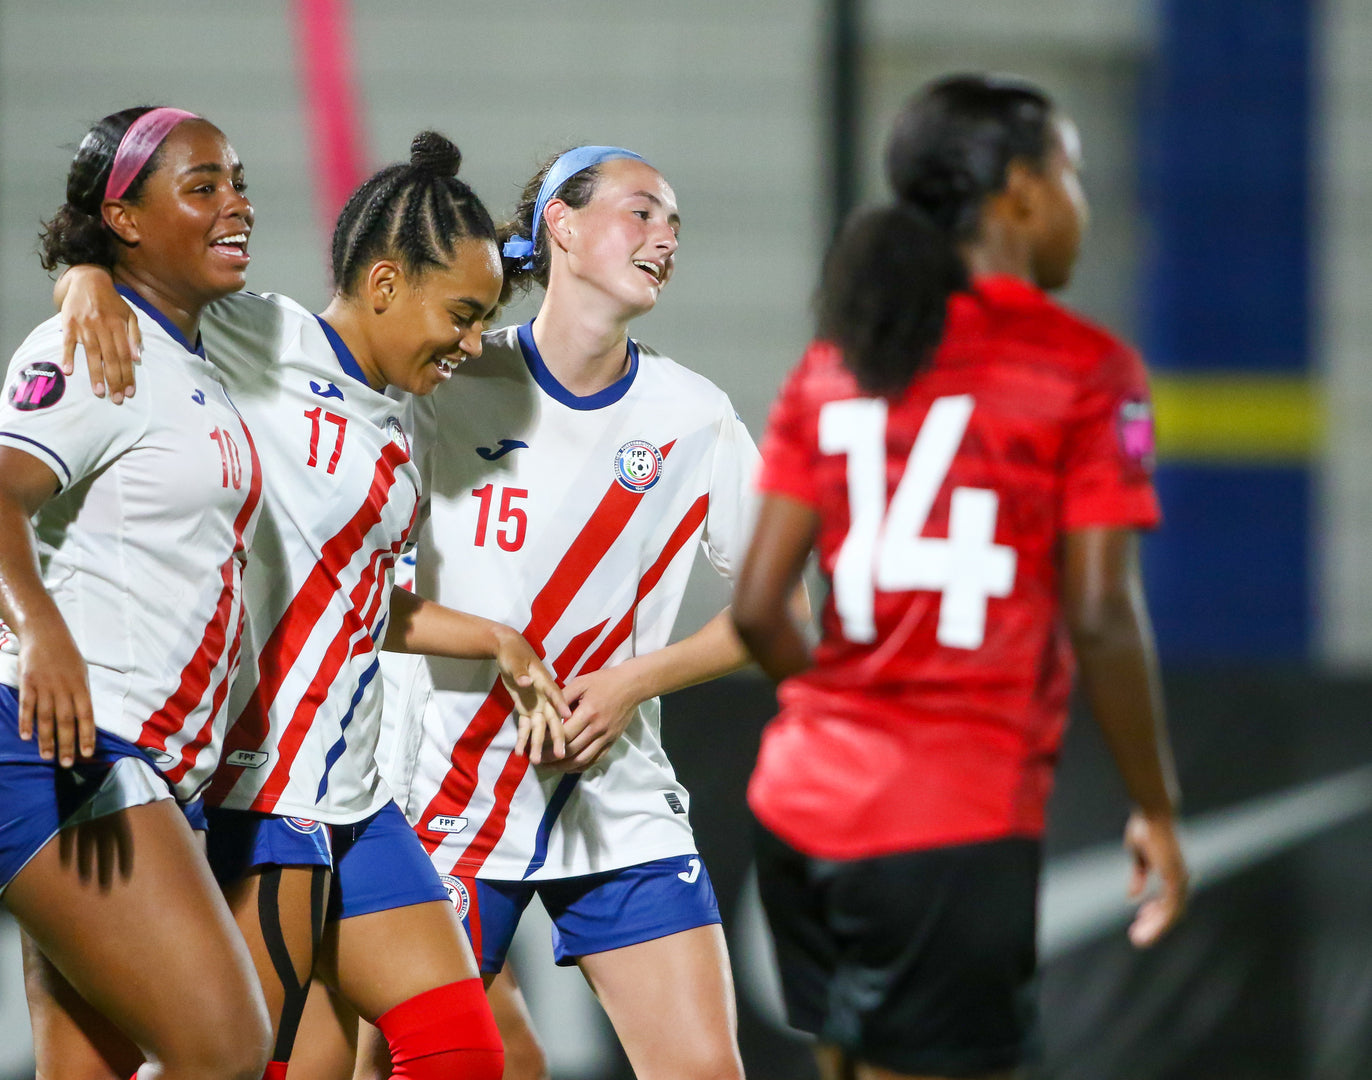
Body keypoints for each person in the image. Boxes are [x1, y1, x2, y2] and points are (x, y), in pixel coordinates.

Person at [54, 132, 570, 1080]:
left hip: (356, 791)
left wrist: (499, 640)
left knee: (464, 1053)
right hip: (262, 785)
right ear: (383, 286)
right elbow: (141, 280)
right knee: (243, 1062)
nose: (470, 342)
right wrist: (86, 275)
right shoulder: (261, 337)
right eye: (460, 315)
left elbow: (362, 603)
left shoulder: (397, 426)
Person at [730, 74, 1191, 1080]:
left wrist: (836, 708)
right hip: (947, 821)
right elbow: (1104, 612)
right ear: (1021, 190)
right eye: (1072, 172)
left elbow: (761, 606)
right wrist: (1155, 805)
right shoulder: (1086, 369)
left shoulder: (836, 362)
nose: (1082, 201)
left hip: (800, 812)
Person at [363, 144, 782, 1080]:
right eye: (642, 211)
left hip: (616, 806)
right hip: (448, 804)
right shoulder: (446, 385)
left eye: (675, 223)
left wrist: (637, 680)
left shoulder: (693, 417)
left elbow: (778, 616)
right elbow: (363, 597)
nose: (666, 236)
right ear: (561, 222)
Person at [0, 106, 272, 1080]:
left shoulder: (208, 347)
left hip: (142, 762)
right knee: (226, 1049)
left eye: (238, 181)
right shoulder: (95, 344)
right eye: (201, 185)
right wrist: (39, 633)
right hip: (66, 749)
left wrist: (83, 268)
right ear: (125, 220)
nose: (236, 203)